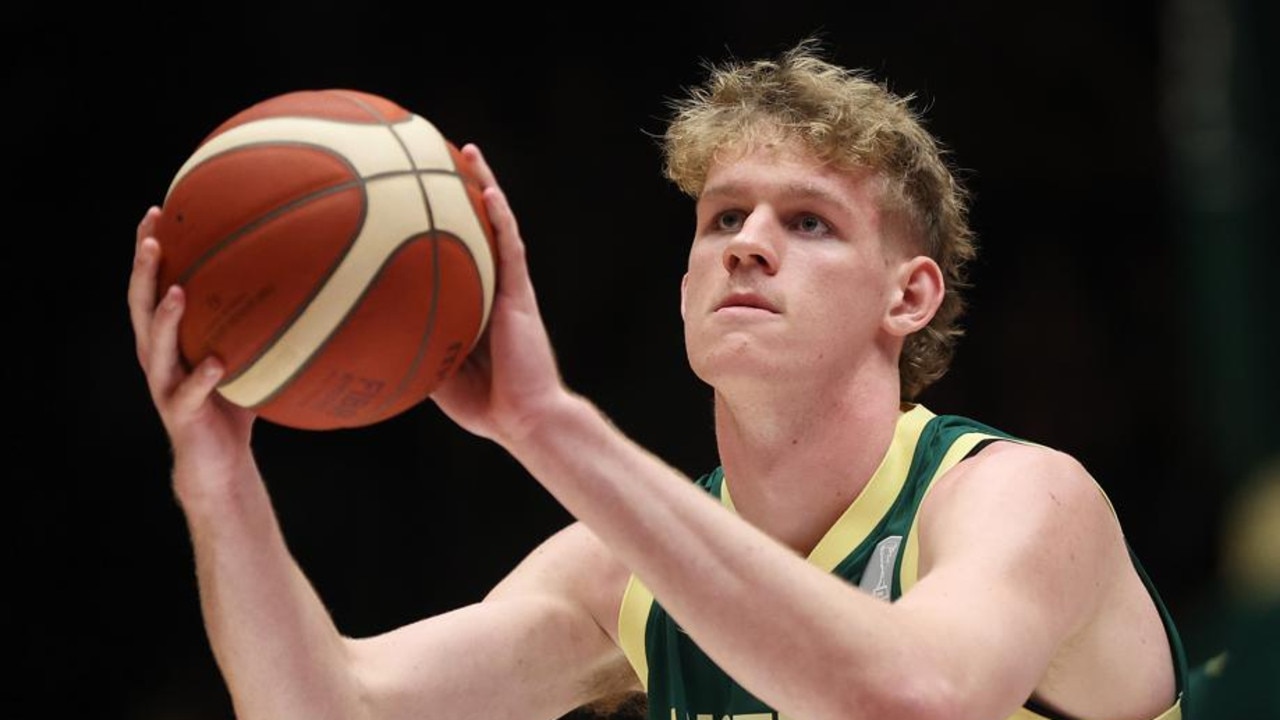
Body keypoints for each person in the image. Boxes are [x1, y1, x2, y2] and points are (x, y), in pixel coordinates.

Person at [129, 38, 1191, 720]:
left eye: (806, 222)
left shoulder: (1019, 499)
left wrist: (544, 424)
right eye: (722, 217)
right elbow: (325, 708)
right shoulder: (615, 575)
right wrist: (216, 480)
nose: (745, 244)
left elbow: (910, 696)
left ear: (906, 297)